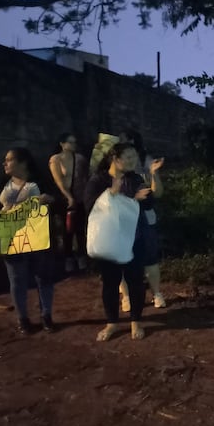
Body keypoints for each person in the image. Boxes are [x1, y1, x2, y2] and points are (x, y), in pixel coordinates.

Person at [0, 148, 56, 334]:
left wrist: (49, 200)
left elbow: (58, 201)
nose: (4, 163)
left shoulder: (40, 183)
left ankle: (46, 316)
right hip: (11, 239)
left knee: (43, 277)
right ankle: (23, 319)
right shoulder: (3, 185)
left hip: (38, 238)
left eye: (9, 160)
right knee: (17, 280)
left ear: (23, 162)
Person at [84, 143, 152, 341]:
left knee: (136, 283)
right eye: (129, 157)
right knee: (110, 283)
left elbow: (148, 203)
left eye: (134, 157)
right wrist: (116, 196)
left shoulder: (135, 179)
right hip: (110, 241)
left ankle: (136, 321)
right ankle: (112, 323)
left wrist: (147, 188)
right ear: (115, 158)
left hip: (134, 239)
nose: (133, 161)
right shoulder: (98, 180)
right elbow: (90, 207)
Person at [117, 130, 166, 310]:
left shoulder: (145, 161)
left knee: (150, 258)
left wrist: (153, 174)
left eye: (124, 141)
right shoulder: (113, 169)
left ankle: (157, 293)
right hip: (122, 220)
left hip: (145, 218)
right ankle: (126, 296)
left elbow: (156, 194)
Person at [48, 132, 89, 273]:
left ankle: (82, 259)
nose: (73, 145)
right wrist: (68, 196)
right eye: (70, 142)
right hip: (64, 198)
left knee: (80, 229)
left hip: (80, 197)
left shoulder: (80, 159)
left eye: (74, 142)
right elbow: (58, 181)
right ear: (62, 144)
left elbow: (85, 177)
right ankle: (68, 259)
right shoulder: (56, 159)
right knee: (67, 230)